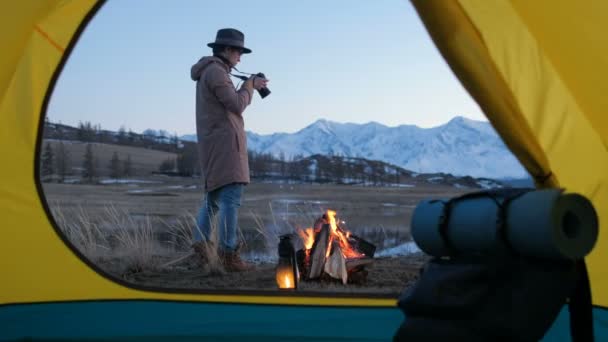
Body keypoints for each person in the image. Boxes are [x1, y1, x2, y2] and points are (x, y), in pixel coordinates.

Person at [190, 28, 268, 271]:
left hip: (216, 144)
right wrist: (249, 87)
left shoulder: (211, 72)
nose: (240, 57)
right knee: (230, 199)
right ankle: (228, 255)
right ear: (225, 50)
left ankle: (201, 251)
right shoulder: (216, 72)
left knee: (213, 199)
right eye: (238, 51)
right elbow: (235, 104)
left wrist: (247, 84)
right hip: (225, 146)